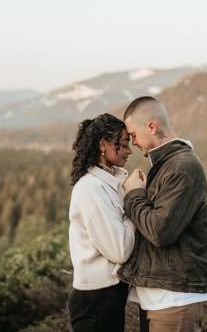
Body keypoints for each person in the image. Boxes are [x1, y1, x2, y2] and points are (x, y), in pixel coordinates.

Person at [118, 96, 207, 332]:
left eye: (133, 135)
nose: (133, 143)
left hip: (175, 299)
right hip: (162, 296)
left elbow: (159, 231)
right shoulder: (166, 164)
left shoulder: (181, 166)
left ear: (152, 126)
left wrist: (134, 194)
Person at [67, 113, 136, 332]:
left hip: (108, 294)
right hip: (96, 300)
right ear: (103, 144)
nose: (129, 150)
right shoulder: (91, 188)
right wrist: (134, 200)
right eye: (123, 145)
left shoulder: (108, 184)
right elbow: (120, 251)